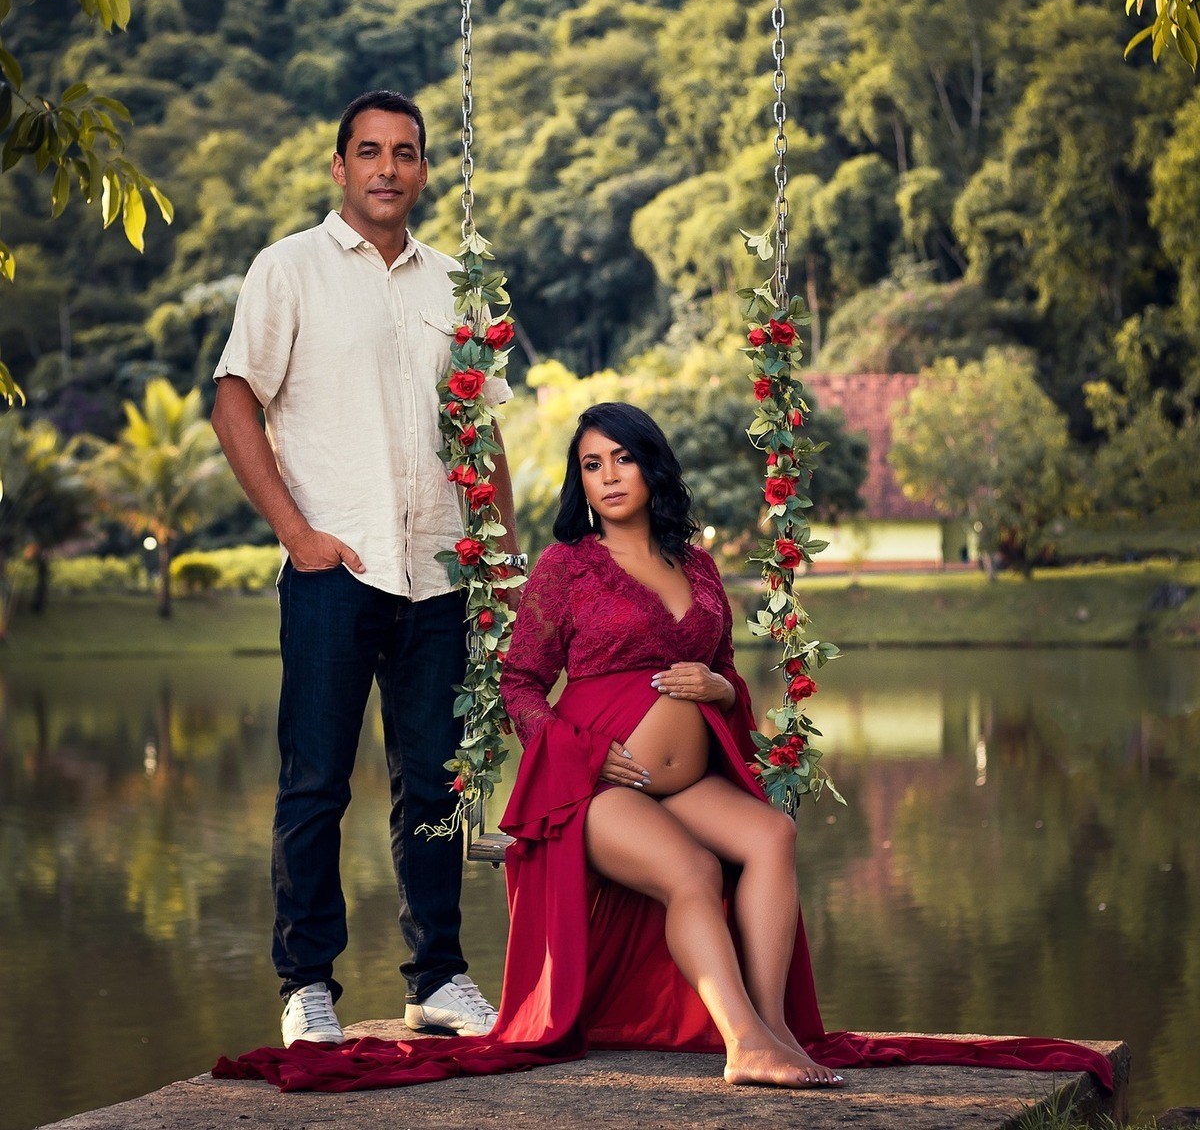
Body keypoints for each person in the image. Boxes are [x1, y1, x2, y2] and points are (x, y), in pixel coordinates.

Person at [215, 403, 1114, 1101]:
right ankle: (744, 1044)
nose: (608, 476)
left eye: (622, 459)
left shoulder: (700, 565)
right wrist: (578, 753)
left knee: (771, 837)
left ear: (652, 467)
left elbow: (724, 670)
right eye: (591, 465)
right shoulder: (567, 567)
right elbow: (520, 684)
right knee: (692, 871)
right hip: (594, 787)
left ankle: (772, 1026)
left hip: (687, 778)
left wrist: (722, 690)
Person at [211, 89, 518, 1049]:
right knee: (316, 784)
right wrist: (297, 534)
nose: (389, 167)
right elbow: (233, 401)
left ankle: (439, 977)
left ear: (423, 169)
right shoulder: (288, 268)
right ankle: (307, 985)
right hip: (334, 571)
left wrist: (502, 559)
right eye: (371, 151)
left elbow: (484, 428)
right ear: (340, 166)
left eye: (406, 152)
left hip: (442, 572)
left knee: (434, 784)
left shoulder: (459, 283)